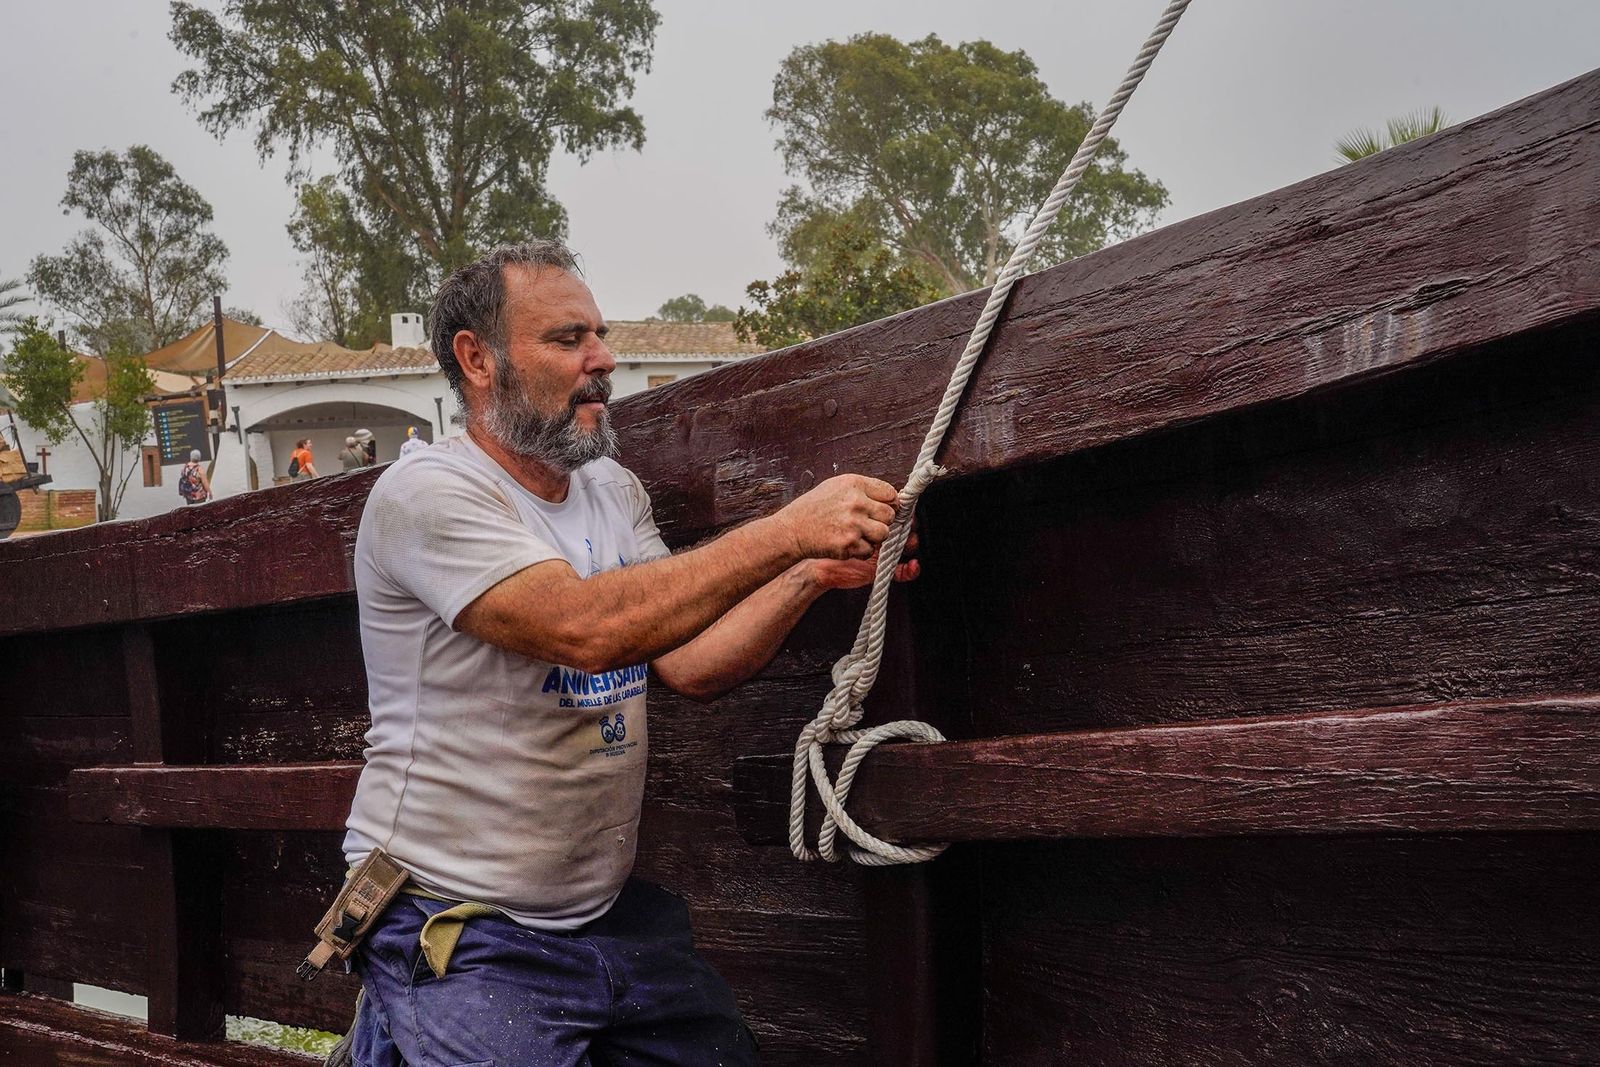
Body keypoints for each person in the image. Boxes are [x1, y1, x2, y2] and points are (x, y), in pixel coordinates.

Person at [339, 240, 917, 1067]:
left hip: (599, 919)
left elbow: (687, 659)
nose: (603, 359)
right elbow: (582, 626)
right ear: (477, 358)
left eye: (599, 335)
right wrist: (788, 528)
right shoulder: (424, 494)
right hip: (453, 921)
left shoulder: (611, 488)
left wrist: (812, 572)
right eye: (569, 339)